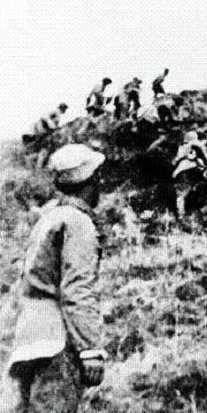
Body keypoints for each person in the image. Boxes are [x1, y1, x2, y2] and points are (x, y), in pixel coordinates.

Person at [0, 144, 107, 412]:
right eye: (97, 176)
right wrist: (89, 349)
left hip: (29, 340)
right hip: (56, 344)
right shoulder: (78, 222)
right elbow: (77, 289)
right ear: (90, 180)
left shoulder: (49, 219)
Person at [172, 131, 207, 218]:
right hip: (192, 172)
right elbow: (206, 161)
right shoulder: (197, 146)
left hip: (186, 172)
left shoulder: (184, 147)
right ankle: (184, 214)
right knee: (183, 195)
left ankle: (182, 215)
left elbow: (174, 161)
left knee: (181, 196)